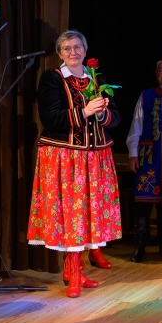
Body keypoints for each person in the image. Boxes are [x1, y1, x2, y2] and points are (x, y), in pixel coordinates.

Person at [27, 30, 122, 297]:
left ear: (85, 50)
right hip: (64, 156)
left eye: (78, 47)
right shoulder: (53, 78)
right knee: (70, 215)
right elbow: (50, 118)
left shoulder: (97, 79)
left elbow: (115, 119)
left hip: (95, 157)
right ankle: (73, 272)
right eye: (67, 48)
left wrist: (101, 114)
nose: (73, 52)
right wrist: (84, 111)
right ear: (60, 54)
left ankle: (76, 270)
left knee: (88, 215)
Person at [127, 59, 162, 262]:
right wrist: (133, 153)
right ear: (156, 73)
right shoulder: (146, 95)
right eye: (161, 70)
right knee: (143, 201)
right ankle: (140, 247)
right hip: (149, 156)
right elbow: (136, 125)